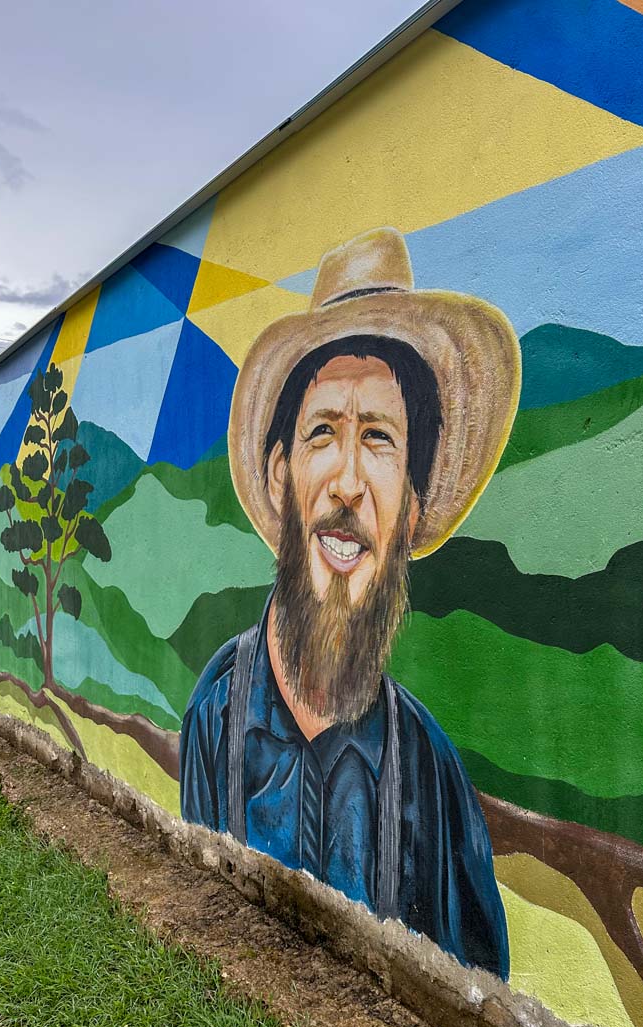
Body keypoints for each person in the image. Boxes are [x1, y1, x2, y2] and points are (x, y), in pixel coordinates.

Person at [180, 227, 520, 979]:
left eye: (380, 440)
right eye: (324, 431)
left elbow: (479, 1020)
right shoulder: (217, 710)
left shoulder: (431, 780)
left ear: (413, 506)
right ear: (280, 476)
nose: (346, 482)